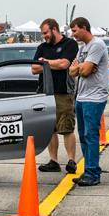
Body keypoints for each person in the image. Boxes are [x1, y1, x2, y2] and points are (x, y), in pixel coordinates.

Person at [32, 17, 79, 173]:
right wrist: (53, 63)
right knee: (50, 129)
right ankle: (53, 161)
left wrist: (44, 62)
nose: (44, 36)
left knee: (66, 128)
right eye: (42, 33)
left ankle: (71, 160)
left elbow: (65, 64)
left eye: (45, 33)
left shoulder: (69, 44)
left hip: (63, 93)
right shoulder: (41, 47)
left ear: (54, 29)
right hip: (45, 93)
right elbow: (34, 69)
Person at [67, 17, 109, 187]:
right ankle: (89, 169)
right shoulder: (83, 48)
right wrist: (81, 67)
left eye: (75, 30)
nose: (72, 34)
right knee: (84, 136)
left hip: (95, 97)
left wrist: (81, 67)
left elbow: (83, 71)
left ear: (84, 28)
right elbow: (72, 71)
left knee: (91, 135)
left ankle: (92, 173)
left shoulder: (97, 45)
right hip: (82, 96)